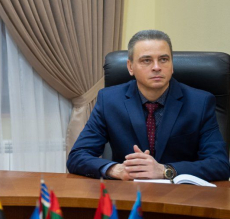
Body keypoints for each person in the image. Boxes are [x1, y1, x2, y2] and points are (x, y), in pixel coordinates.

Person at [67, 30, 230, 182]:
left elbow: (220, 164)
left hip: (181, 195)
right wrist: (115, 169)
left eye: (163, 59)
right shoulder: (109, 100)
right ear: (130, 67)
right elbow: (77, 156)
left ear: (172, 65)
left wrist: (165, 170)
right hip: (128, 194)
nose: (157, 67)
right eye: (146, 60)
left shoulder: (200, 102)